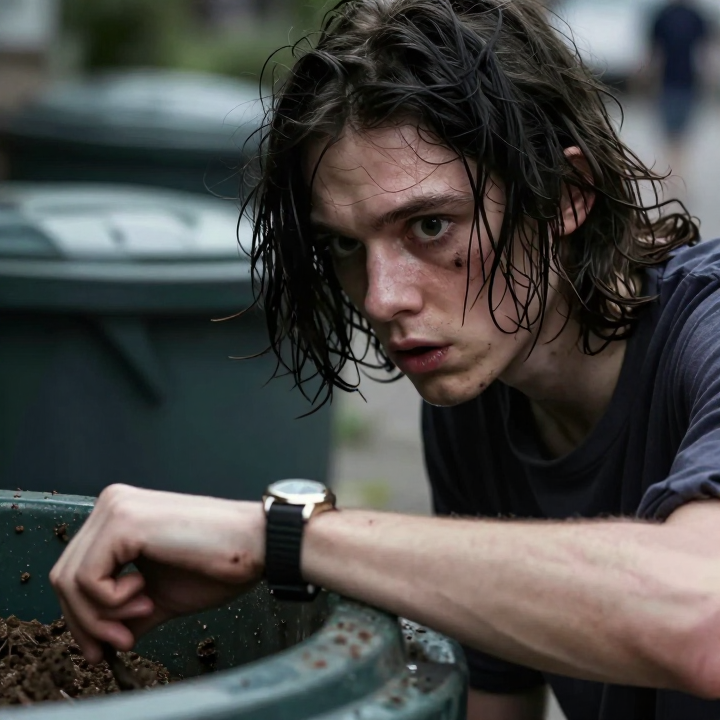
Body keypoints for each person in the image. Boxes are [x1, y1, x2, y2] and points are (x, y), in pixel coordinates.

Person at [50, 1, 720, 718]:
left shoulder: (704, 334)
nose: (382, 297)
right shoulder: (477, 397)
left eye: (430, 225)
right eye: (345, 244)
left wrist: (277, 536)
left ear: (564, 195)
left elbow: (701, 619)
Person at [649, 0, 711, 178]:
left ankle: (676, 173)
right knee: (673, 134)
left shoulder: (693, 16)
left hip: (685, 82)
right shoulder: (665, 15)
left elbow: (704, 51)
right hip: (671, 82)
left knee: (678, 134)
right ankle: (675, 173)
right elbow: (655, 52)